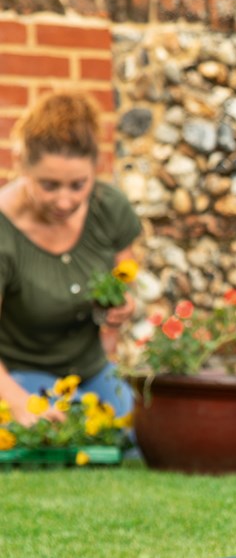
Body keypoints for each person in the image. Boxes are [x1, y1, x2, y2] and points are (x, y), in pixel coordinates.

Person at [0, 91, 141, 427]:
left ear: (96, 168)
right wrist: (19, 404)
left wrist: (120, 308)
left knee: (136, 435)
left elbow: (125, 277)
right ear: (22, 165)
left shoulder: (109, 208)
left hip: (91, 371)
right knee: (56, 441)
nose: (64, 202)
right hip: (18, 375)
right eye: (49, 185)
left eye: (78, 185)